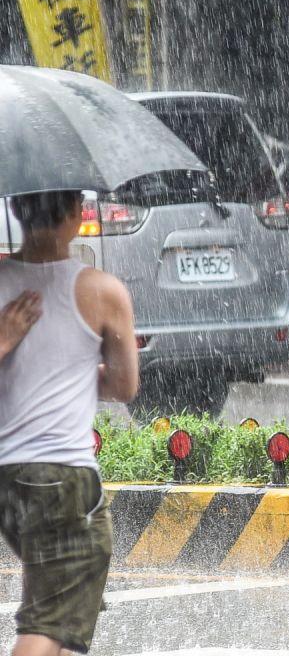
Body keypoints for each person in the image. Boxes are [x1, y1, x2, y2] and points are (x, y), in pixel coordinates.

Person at [0, 190, 139, 656]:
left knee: (61, 615)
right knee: (48, 623)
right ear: (77, 214)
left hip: (7, 481)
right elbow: (123, 386)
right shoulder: (102, 291)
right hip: (62, 478)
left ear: (17, 210)